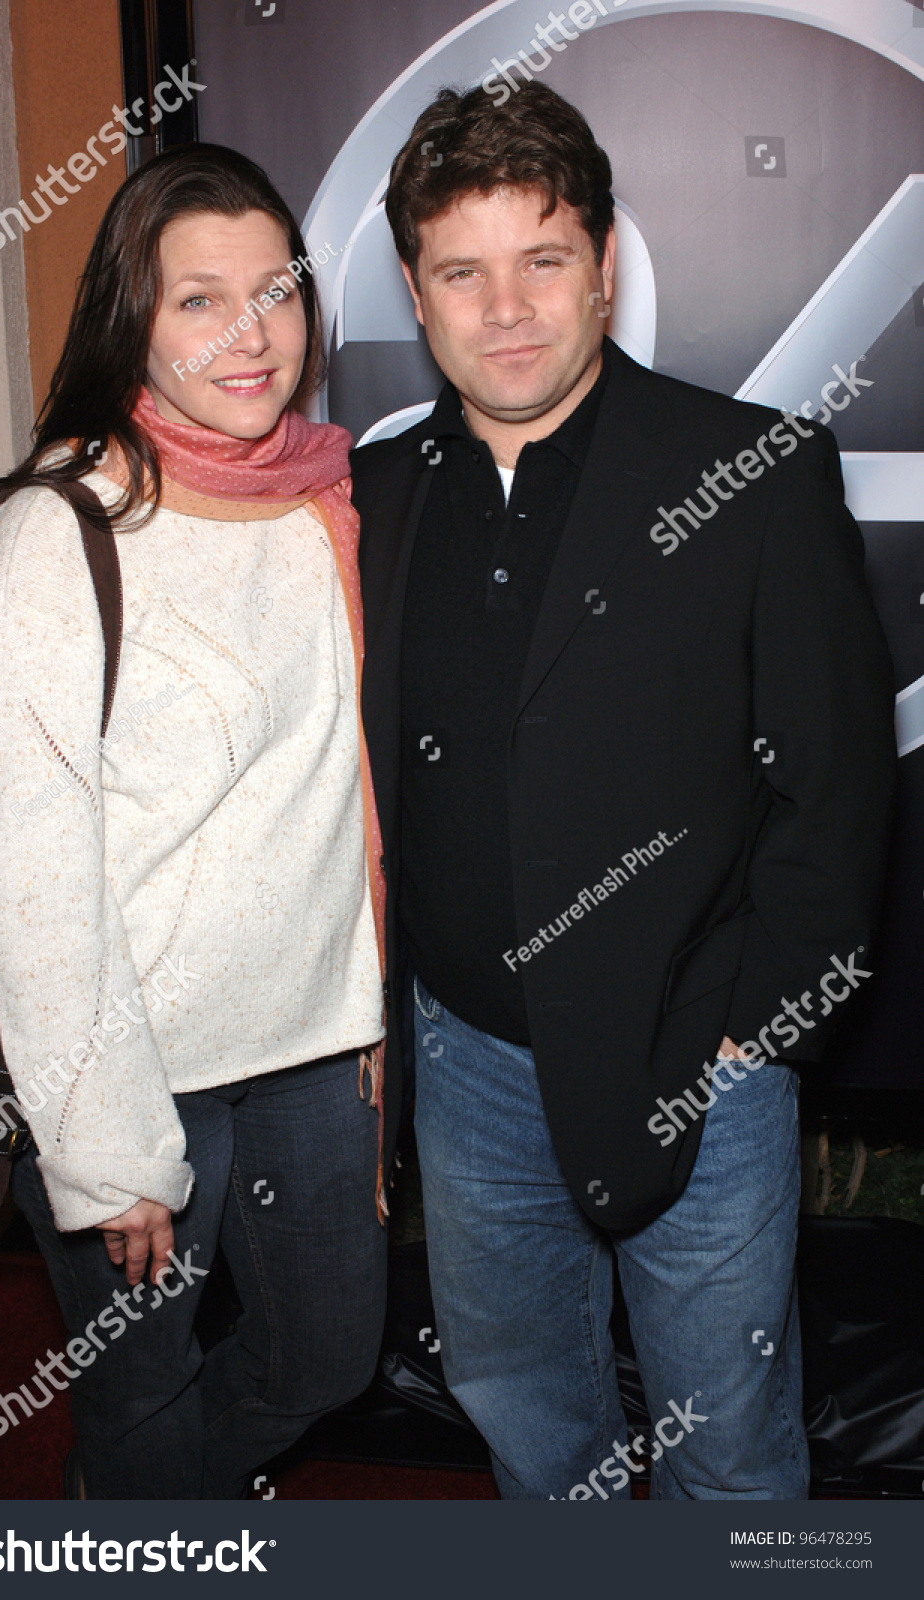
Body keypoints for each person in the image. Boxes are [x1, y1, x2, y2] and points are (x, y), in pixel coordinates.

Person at [351, 81, 896, 1500]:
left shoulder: (752, 476)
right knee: (534, 1432)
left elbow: (836, 794)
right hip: (467, 1075)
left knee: (731, 1459)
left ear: (604, 263)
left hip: (695, 1073)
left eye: (544, 259)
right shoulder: (377, 497)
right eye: (463, 272)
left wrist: (753, 1037)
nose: (508, 307)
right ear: (418, 294)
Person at [0, 144, 388, 1500]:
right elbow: (14, 867)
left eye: (276, 292)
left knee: (328, 1359)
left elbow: (337, 782)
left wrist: (368, 1007)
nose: (249, 337)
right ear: (130, 315)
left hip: (315, 1049)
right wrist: (106, 1143)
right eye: (199, 300)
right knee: (142, 1406)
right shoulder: (60, 531)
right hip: (142, 1072)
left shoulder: (318, 497)